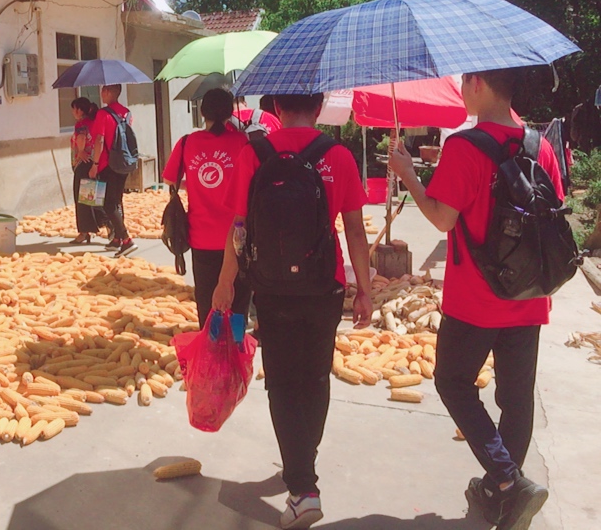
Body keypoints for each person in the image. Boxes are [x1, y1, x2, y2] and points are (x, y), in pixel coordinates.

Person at [389, 69, 560, 530]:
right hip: (529, 296)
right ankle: (504, 495)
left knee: (453, 382)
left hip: (475, 299)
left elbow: (441, 217)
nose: (461, 90)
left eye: (464, 82)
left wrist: (408, 175)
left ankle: (508, 480)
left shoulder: (464, 146)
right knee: (516, 398)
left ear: (479, 83)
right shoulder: (539, 146)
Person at [212, 93, 372, 530]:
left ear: (277, 108)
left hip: (272, 288)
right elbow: (355, 230)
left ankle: (302, 487)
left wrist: (226, 282)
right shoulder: (337, 155)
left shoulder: (254, 154)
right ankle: (304, 464)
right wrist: (364, 291)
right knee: (315, 378)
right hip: (324, 286)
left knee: (282, 383)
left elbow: (238, 228)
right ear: (319, 108)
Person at [162, 88, 252, 328]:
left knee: (208, 303)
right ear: (230, 113)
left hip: (201, 237)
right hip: (237, 237)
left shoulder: (187, 142)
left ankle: (212, 346)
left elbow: (169, 179)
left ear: (202, 113)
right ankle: (236, 345)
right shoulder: (242, 142)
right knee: (238, 303)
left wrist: (193, 182)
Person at [89, 84, 135, 257]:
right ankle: (117, 238)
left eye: (102, 90)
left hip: (107, 164)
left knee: (108, 203)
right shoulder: (127, 113)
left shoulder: (103, 114)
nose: (101, 93)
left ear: (108, 92)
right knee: (117, 200)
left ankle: (126, 239)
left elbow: (99, 140)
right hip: (124, 161)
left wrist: (95, 164)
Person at [70, 97, 107, 244]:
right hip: (93, 163)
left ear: (79, 110)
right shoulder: (94, 122)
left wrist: (80, 151)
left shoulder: (81, 124)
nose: (73, 112)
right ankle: (105, 224)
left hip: (83, 164)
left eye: (74, 109)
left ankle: (84, 232)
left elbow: (81, 138)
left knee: (81, 199)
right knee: (92, 196)